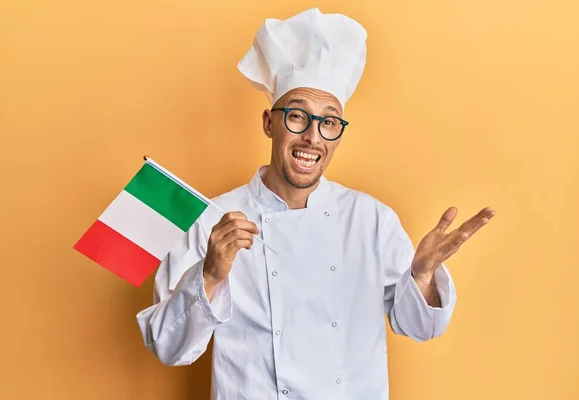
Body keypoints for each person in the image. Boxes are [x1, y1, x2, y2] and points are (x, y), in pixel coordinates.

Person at [136, 7, 496, 399]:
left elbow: (419, 326)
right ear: (269, 123)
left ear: (338, 134)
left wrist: (423, 277)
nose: (312, 137)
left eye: (328, 122)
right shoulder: (213, 220)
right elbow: (168, 348)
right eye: (297, 117)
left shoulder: (371, 220)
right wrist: (208, 276)